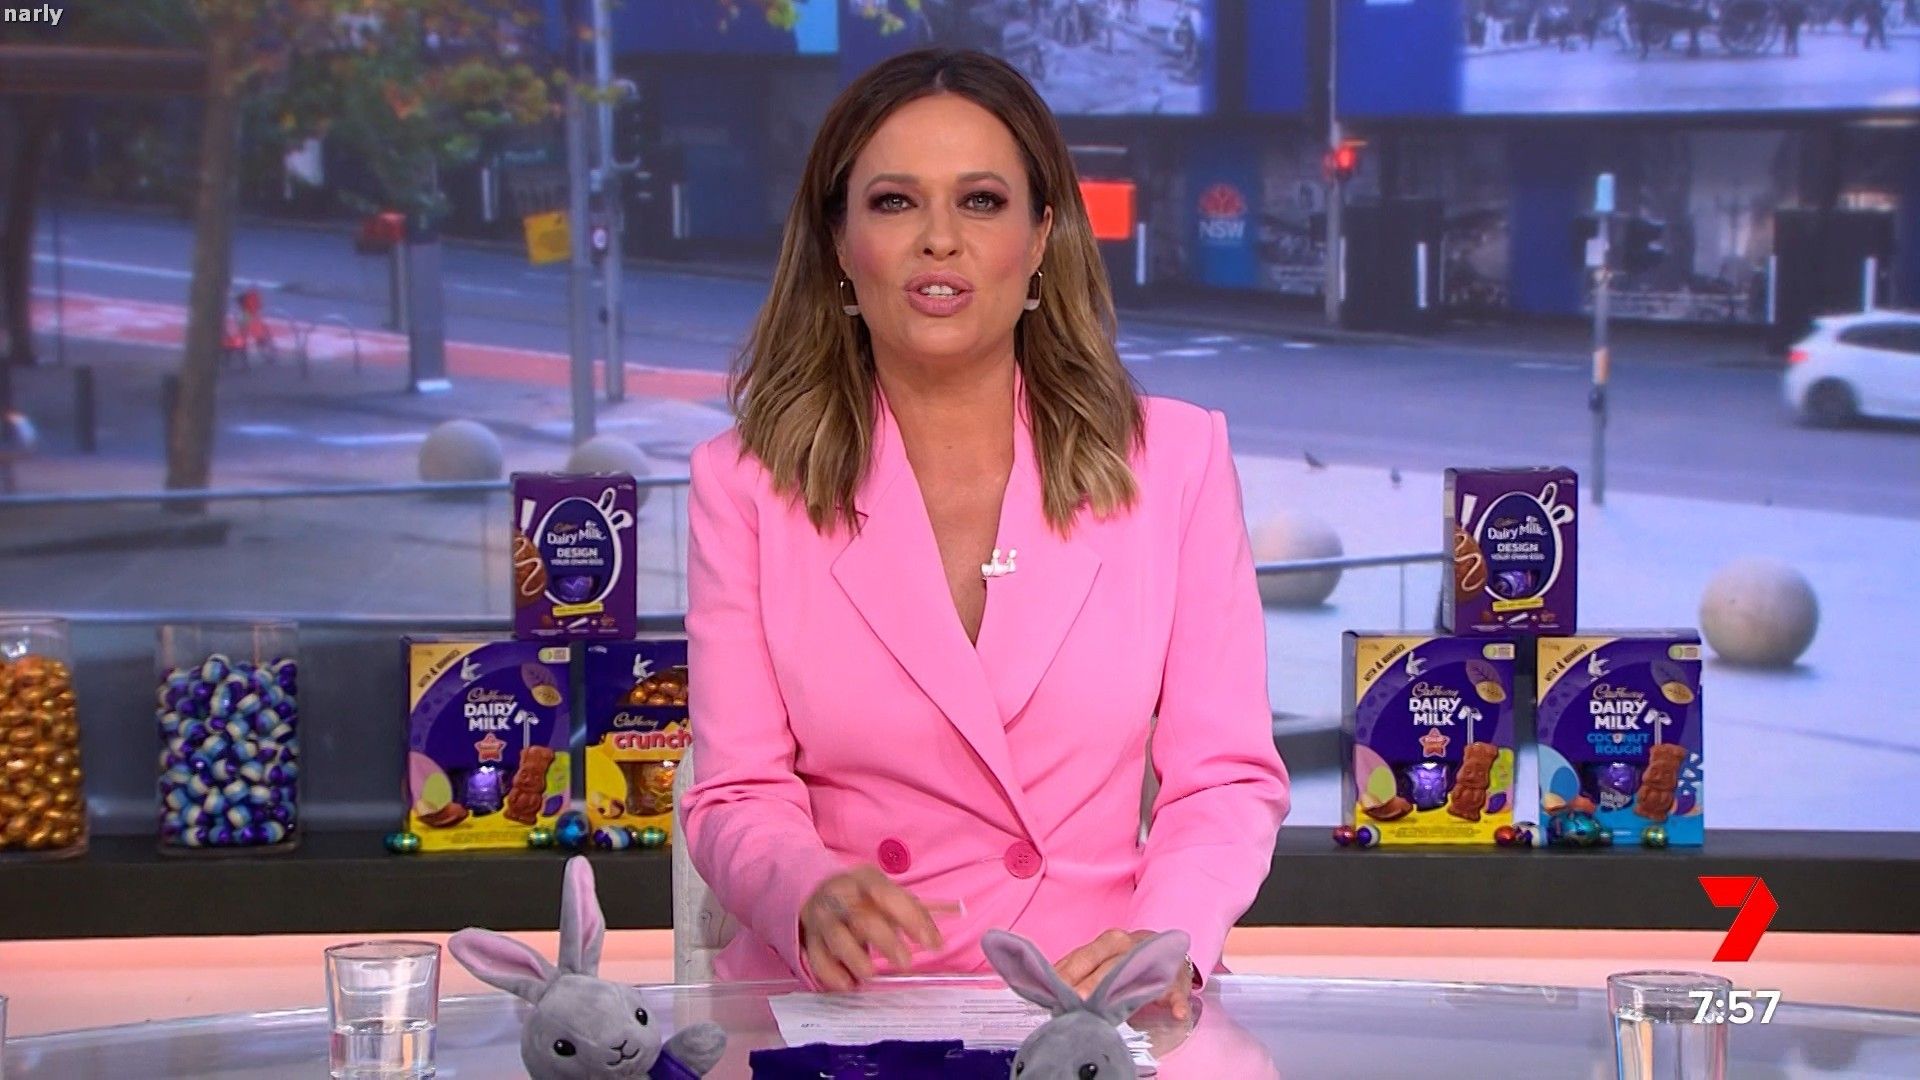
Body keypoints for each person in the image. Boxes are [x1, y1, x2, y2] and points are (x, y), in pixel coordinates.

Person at [681, 48, 1290, 1020]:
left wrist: (1166, 937)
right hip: (841, 1012)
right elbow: (735, 794)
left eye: (980, 202)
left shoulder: (1172, 460)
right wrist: (804, 891)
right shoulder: (746, 484)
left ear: (1042, 234)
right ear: (839, 240)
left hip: (1092, 1005)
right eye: (894, 202)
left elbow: (1224, 778)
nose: (939, 240)